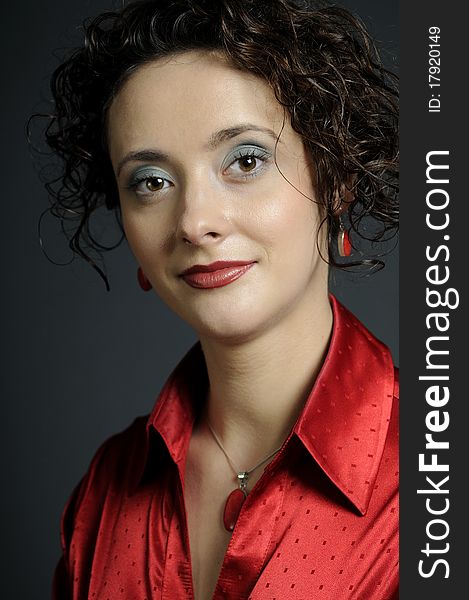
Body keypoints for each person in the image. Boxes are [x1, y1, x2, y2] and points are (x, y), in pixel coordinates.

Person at [39, 0, 399, 598]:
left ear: (335, 179)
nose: (195, 221)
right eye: (152, 182)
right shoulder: (107, 488)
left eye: (246, 160)